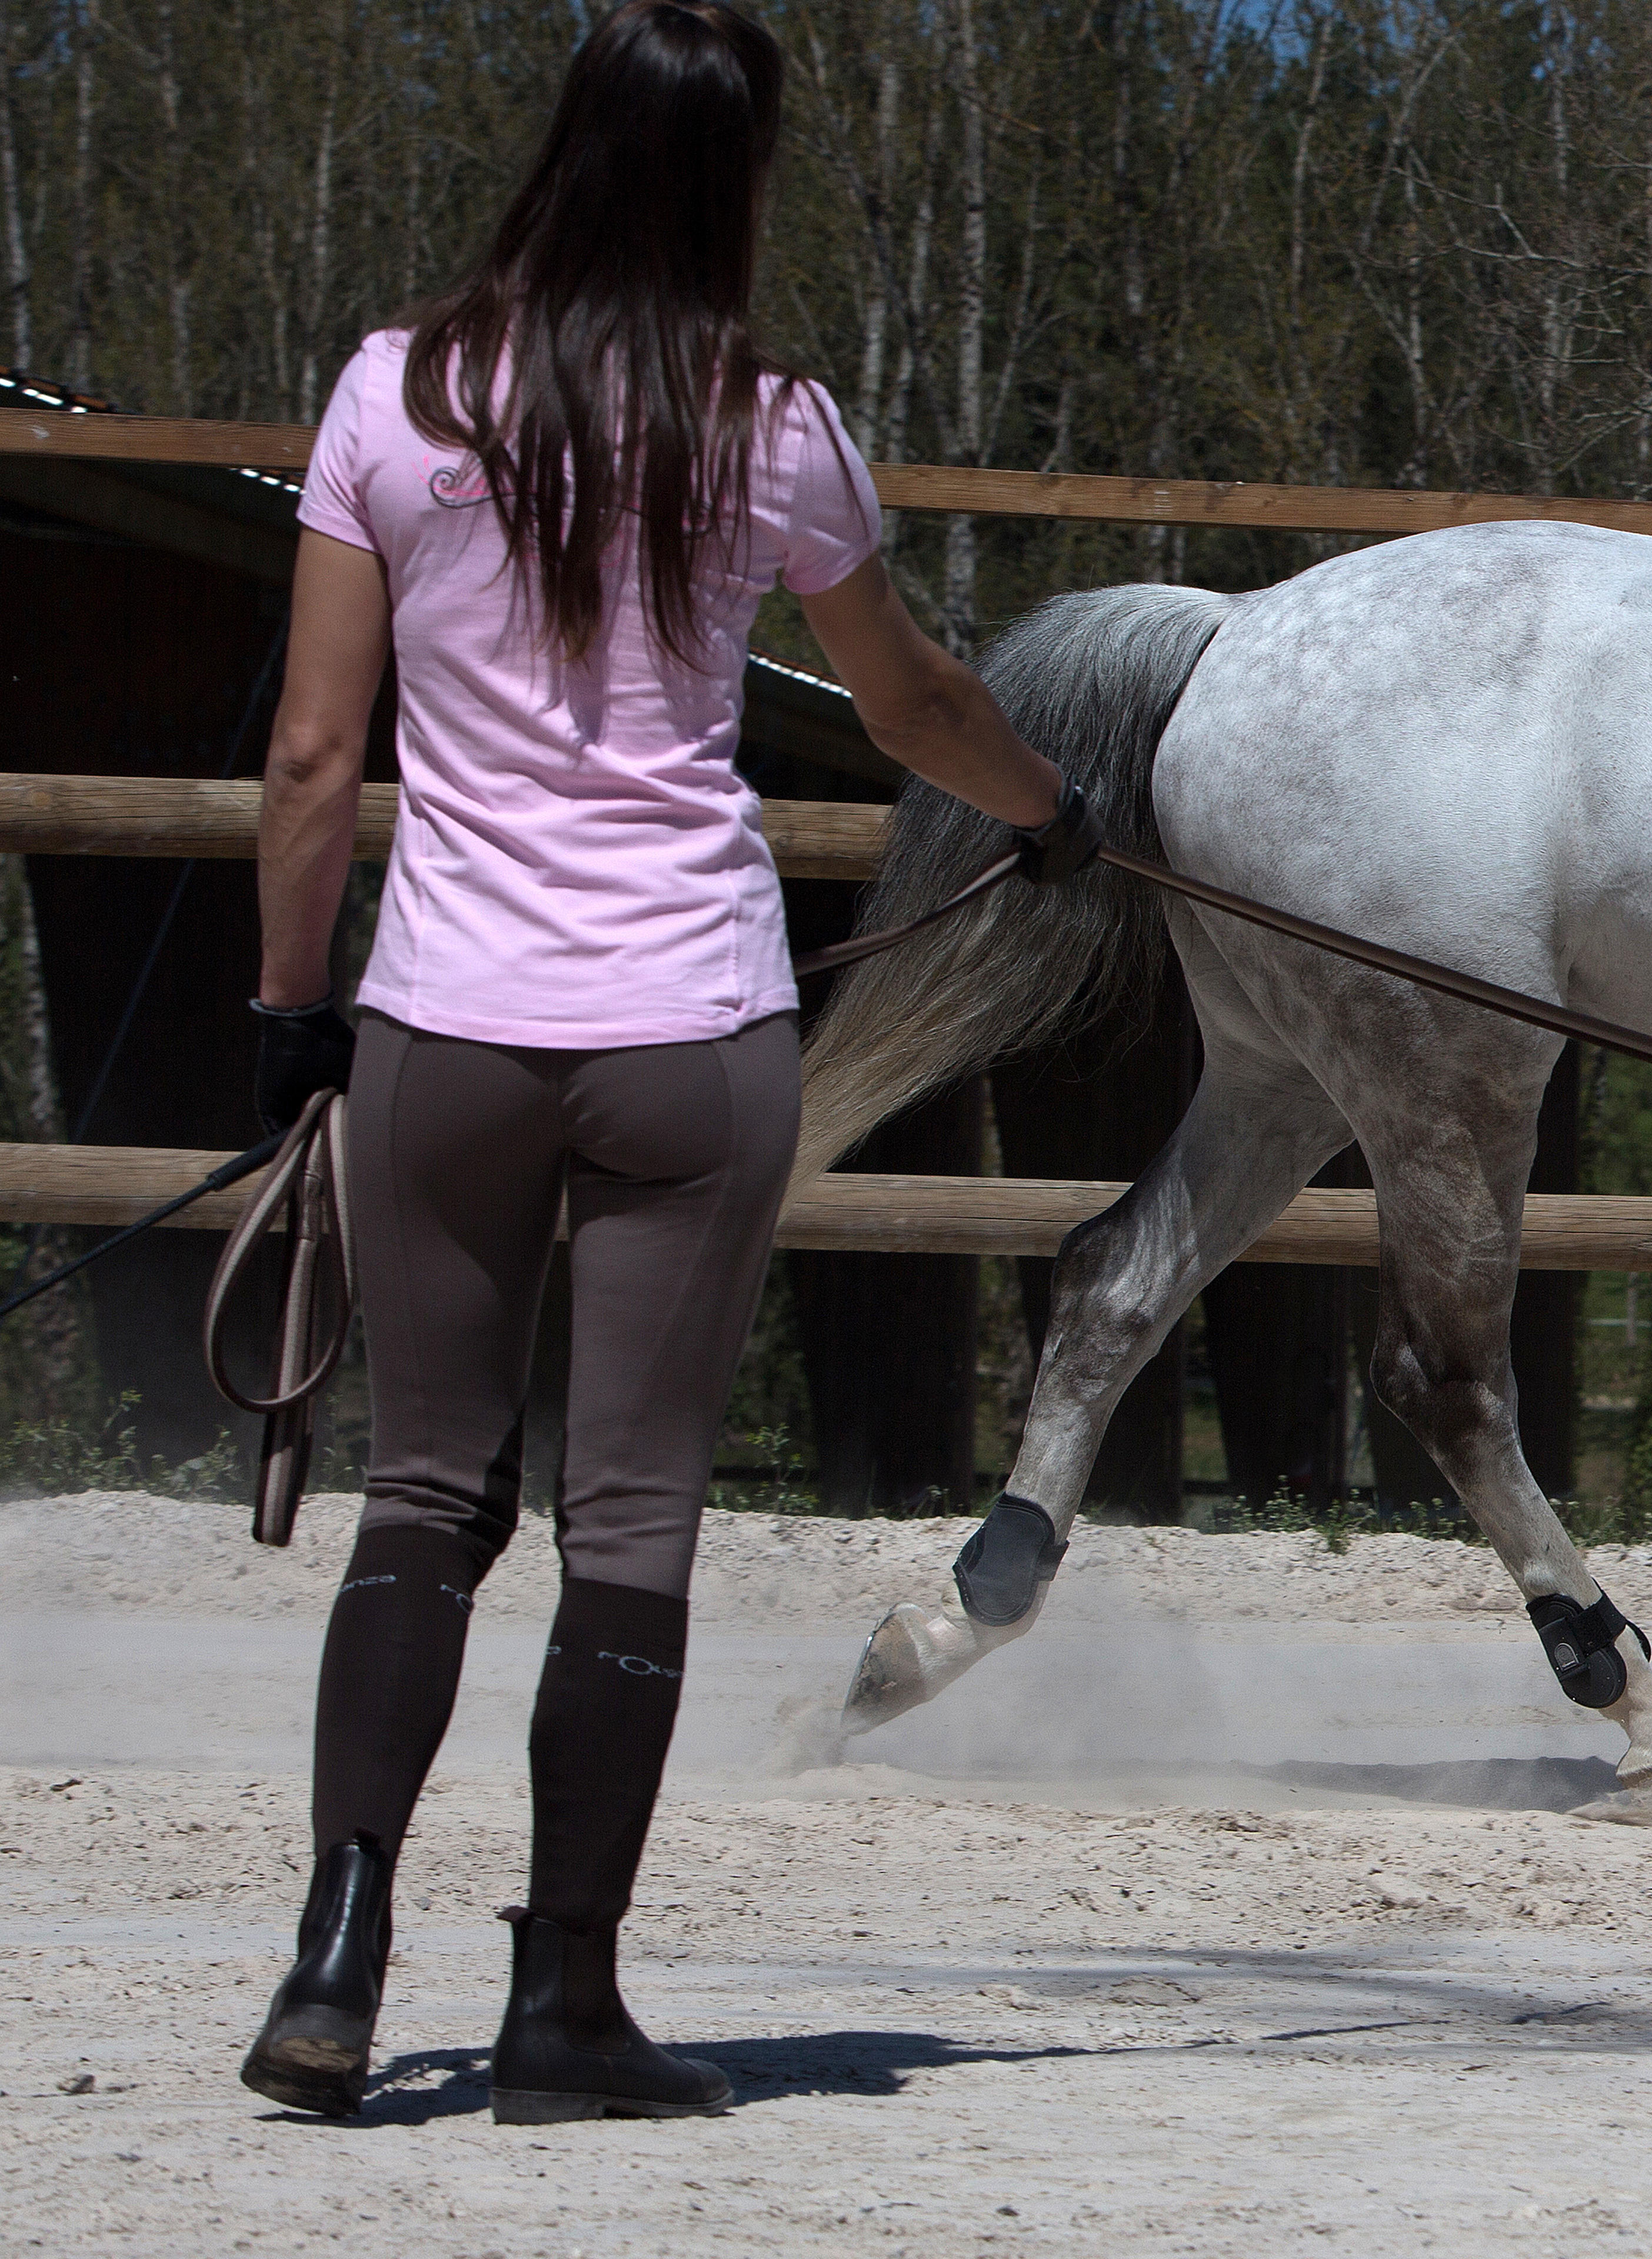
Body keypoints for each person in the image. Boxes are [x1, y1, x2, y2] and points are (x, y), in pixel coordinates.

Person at [239, 0, 1087, 2124]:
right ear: (734, 180)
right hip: (691, 1033)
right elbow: (904, 704)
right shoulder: (767, 423)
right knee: (633, 1519)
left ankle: (340, 1952)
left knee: (422, 1494)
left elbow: (315, 755)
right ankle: (563, 2007)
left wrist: (285, 1024)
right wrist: (1058, 817)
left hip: (446, 1022)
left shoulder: (393, 393)